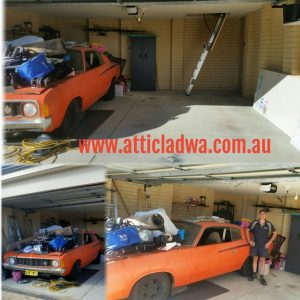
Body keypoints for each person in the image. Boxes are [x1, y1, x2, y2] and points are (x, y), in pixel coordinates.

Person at [246, 209, 277, 286]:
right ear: (259, 215)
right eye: (261, 214)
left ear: (266, 215)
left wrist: (269, 242)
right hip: (255, 245)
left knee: (262, 261)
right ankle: (254, 274)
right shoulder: (254, 223)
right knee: (255, 259)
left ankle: (262, 277)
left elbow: (275, 233)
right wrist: (249, 240)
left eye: (264, 214)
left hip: (264, 246)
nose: (262, 215)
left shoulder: (269, 224)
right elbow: (247, 230)